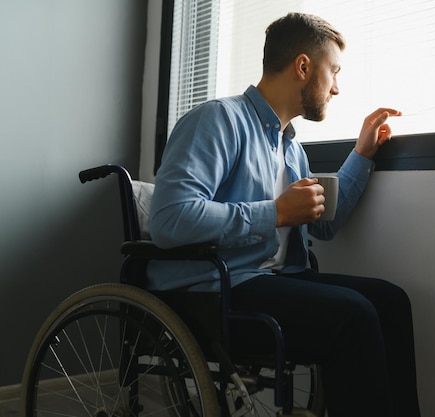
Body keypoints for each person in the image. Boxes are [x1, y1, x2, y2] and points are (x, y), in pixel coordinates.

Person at [149, 12, 420, 417]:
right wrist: (274, 213)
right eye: (334, 72)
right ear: (303, 66)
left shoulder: (291, 148)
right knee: (354, 314)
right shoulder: (218, 120)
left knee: (391, 301)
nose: (337, 88)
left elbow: (323, 223)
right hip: (217, 291)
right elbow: (170, 220)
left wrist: (361, 154)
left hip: (275, 280)